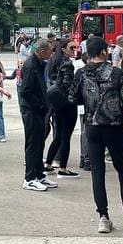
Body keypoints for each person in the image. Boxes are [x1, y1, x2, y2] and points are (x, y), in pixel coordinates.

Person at [77, 38, 123, 232]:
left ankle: (103, 217)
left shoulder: (81, 73)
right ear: (104, 51)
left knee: (97, 172)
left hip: (92, 126)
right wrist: (119, 114)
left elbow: (73, 97)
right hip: (114, 126)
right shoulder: (117, 73)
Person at [18, 38, 55, 192]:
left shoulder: (39, 63)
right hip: (31, 110)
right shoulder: (30, 65)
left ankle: (39, 174)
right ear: (42, 51)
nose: (52, 53)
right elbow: (25, 91)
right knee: (33, 144)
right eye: (50, 51)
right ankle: (29, 178)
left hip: (39, 110)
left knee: (39, 143)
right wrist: (40, 104)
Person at [44, 40, 78, 176]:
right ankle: (62, 168)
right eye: (72, 47)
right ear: (63, 49)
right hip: (67, 103)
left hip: (56, 102)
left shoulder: (53, 61)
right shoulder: (67, 63)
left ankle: (48, 164)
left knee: (58, 135)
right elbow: (67, 85)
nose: (74, 50)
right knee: (66, 136)